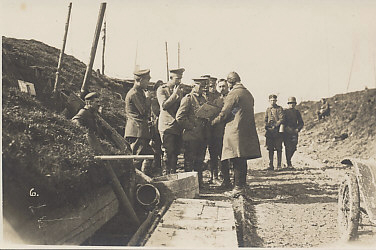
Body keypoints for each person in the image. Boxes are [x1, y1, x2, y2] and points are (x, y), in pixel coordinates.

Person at [211, 72, 261, 197]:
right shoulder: (247, 93)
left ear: (230, 82)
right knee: (242, 158)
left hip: (235, 131)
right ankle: (242, 186)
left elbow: (224, 113)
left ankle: (238, 188)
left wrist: (213, 122)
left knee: (236, 158)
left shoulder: (234, 93)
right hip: (246, 131)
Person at [176, 77, 208, 187]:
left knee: (200, 161)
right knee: (189, 161)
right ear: (194, 86)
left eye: (204, 86)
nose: (203, 88)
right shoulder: (188, 99)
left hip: (202, 135)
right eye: (201, 86)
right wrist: (191, 127)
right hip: (191, 136)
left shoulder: (203, 99)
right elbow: (179, 117)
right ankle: (189, 185)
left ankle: (199, 183)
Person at [124, 69, 154, 175]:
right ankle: (135, 183)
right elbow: (143, 111)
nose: (148, 82)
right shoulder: (134, 93)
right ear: (140, 80)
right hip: (137, 131)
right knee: (137, 158)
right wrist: (148, 99)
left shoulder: (139, 92)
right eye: (147, 79)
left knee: (149, 155)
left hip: (140, 131)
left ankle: (144, 180)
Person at [157, 68, 185, 174]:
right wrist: (175, 95)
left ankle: (173, 173)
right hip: (167, 126)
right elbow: (164, 105)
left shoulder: (179, 90)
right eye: (177, 79)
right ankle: (166, 174)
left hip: (176, 126)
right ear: (171, 78)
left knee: (175, 152)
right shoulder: (162, 89)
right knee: (168, 151)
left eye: (180, 79)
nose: (179, 81)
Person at [265, 94, 285, 171]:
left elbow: (282, 119)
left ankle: (279, 165)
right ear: (269, 101)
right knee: (270, 148)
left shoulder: (279, 109)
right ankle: (271, 165)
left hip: (277, 131)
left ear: (276, 100)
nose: (273, 101)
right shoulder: (268, 109)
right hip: (270, 132)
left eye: (274, 100)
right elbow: (266, 119)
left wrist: (276, 125)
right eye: (271, 100)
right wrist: (267, 126)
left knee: (279, 148)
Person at [283, 97, 304, 169]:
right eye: (290, 103)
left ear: (295, 104)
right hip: (287, 132)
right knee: (288, 147)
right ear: (288, 104)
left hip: (294, 132)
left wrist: (298, 129)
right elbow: (282, 121)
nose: (292, 105)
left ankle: (289, 160)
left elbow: (301, 123)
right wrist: (286, 128)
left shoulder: (297, 112)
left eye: (293, 103)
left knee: (294, 147)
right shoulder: (285, 112)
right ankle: (289, 163)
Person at [149, 80, 163, 176]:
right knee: (156, 150)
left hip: (161, 127)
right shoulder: (154, 101)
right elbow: (157, 113)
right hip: (156, 128)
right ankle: (157, 169)